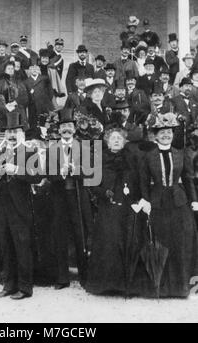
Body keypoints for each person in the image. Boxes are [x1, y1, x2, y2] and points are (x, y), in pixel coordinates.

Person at [137, 113, 198, 298]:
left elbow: (188, 179)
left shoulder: (181, 154)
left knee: (181, 240)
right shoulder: (148, 156)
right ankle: (160, 286)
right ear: (155, 135)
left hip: (178, 201)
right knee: (160, 240)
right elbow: (143, 181)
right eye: (162, 132)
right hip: (157, 202)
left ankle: (180, 287)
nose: (166, 135)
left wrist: (194, 199)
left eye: (169, 132)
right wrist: (145, 200)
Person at [0, 111, 41, 300]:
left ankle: (25, 288)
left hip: (21, 206)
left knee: (22, 245)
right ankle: (9, 285)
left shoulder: (29, 151)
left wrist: (17, 169)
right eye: (8, 132)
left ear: (22, 133)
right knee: (6, 245)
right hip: (2, 205)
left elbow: (37, 176)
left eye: (15, 131)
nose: (11, 135)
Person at [86, 128, 138, 295]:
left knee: (126, 239)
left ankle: (124, 286)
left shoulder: (131, 158)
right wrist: (103, 192)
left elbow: (138, 181)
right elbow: (91, 183)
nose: (116, 141)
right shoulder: (99, 158)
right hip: (107, 206)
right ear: (107, 142)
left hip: (127, 206)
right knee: (108, 242)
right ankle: (105, 285)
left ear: (124, 142)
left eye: (119, 138)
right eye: (113, 138)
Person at [48, 108, 94, 289]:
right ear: (58, 130)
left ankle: (85, 275)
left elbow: (91, 171)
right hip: (60, 197)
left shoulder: (83, 147)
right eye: (63, 126)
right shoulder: (53, 149)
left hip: (78, 196)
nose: (66, 129)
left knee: (80, 234)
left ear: (74, 129)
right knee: (60, 235)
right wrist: (60, 174)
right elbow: (48, 175)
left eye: (69, 126)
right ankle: (62, 278)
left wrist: (76, 171)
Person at [0, 61, 29, 130]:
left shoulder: (19, 82)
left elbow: (25, 97)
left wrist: (15, 102)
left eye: (12, 68)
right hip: (4, 112)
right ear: (4, 70)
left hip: (18, 110)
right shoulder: (0, 82)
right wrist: (5, 107)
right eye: (8, 68)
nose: (10, 70)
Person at [24, 64, 54, 129]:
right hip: (32, 106)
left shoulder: (45, 79)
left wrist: (47, 101)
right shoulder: (26, 82)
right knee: (33, 123)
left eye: (36, 68)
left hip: (44, 104)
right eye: (32, 68)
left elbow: (50, 91)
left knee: (44, 123)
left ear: (39, 70)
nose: (34, 70)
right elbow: (26, 95)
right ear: (29, 71)